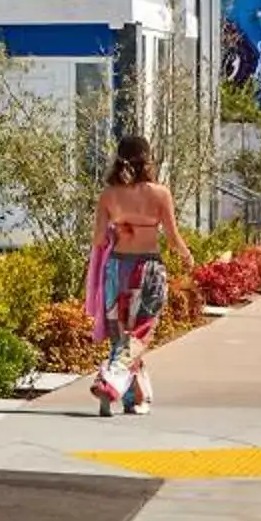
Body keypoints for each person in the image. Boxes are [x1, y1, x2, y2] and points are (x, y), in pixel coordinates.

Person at [91, 133, 195, 417]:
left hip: (115, 268)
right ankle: (109, 380)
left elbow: (99, 239)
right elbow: (173, 238)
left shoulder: (109, 194)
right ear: (147, 158)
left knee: (122, 336)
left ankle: (134, 397)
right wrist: (187, 256)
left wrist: (118, 227)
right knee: (140, 333)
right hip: (148, 270)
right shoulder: (160, 193)